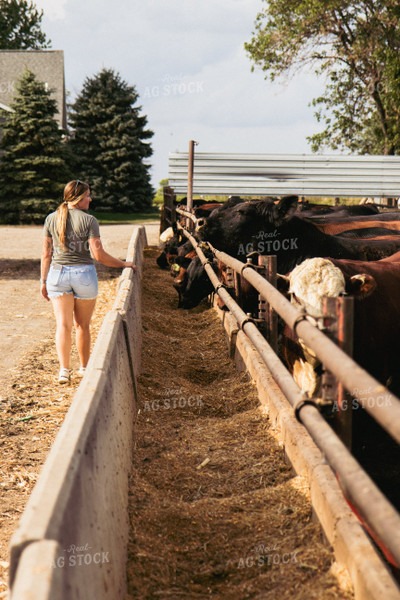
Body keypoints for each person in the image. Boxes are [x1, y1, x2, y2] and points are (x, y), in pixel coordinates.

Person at [40, 179, 136, 384]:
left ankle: (64, 371)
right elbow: (98, 255)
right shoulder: (89, 220)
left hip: (57, 275)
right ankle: (84, 368)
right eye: (87, 195)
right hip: (83, 275)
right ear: (78, 198)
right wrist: (124, 264)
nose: (90, 199)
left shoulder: (50, 219)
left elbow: (46, 254)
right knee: (82, 325)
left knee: (63, 326)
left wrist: (43, 280)